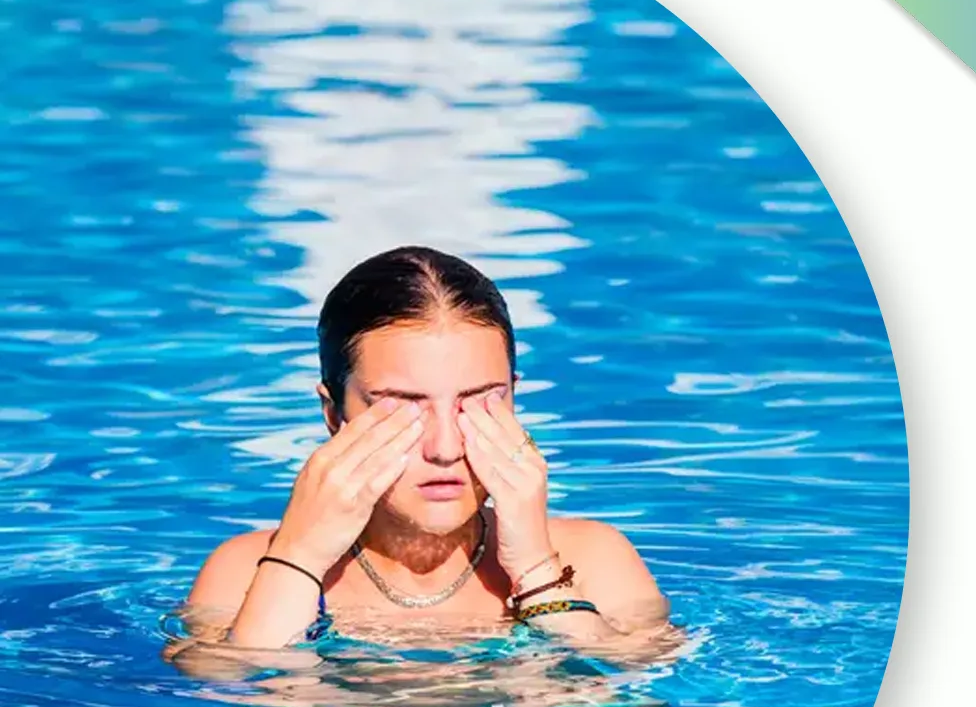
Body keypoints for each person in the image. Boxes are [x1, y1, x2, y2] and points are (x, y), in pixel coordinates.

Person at [182, 245, 672, 653]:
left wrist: (537, 573)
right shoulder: (246, 573)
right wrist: (301, 557)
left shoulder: (593, 561)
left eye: (479, 404)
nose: (445, 448)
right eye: (403, 408)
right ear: (333, 415)